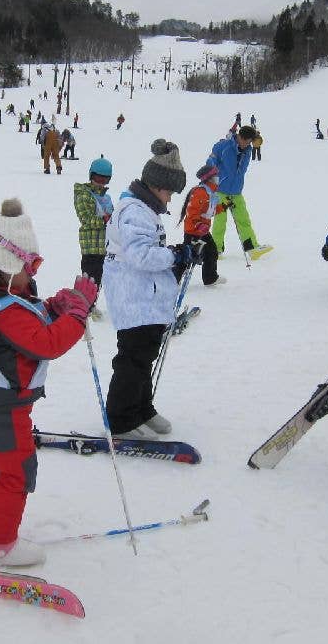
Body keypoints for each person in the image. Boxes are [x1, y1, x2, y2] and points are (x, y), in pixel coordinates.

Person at [0, 199, 97, 568]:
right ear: (8, 266)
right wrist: (78, 313)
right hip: (6, 405)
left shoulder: (1, 298)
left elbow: (29, 322)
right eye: (30, 266)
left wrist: (54, 306)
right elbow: (46, 343)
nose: (33, 275)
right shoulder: (5, 310)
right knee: (16, 470)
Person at [102, 140, 196, 439]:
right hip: (133, 299)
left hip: (146, 298)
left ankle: (142, 408)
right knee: (133, 358)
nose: (170, 200)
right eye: (169, 192)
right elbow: (140, 255)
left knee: (144, 356)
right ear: (156, 185)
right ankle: (121, 418)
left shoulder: (145, 210)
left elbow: (147, 250)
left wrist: (180, 254)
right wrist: (174, 256)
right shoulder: (134, 211)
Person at [207, 125, 272, 261]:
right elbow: (210, 162)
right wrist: (214, 179)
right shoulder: (223, 146)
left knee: (244, 220)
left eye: (249, 142)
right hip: (220, 191)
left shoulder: (247, 150)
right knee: (220, 221)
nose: (247, 145)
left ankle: (251, 248)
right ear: (240, 137)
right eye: (246, 141)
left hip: (236, 191)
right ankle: (216, 250)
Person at [73, 157, 114, 320]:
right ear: (91, 176)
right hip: (90, 245)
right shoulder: (84, 195)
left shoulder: (106, 197)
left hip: (104, 245)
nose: (101, 183)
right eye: (98, 178)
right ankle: (83, 308)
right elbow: (86, 219)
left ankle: (90, 305)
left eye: (105, 179)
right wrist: (106, 219)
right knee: (89, 279)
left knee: (99, 279)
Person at [177, 164, 226, 287]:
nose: (218, 178)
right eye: (216, 176)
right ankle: (173, 280)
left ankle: (210, 278)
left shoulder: (211, 193)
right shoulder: (200, 192)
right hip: (193, 231)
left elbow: (209, 211)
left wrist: (223, 207)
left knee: (212, 252)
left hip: (203, 231)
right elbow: (191, 211)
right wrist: (197, 224)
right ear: (209, 179)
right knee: (188, 256)